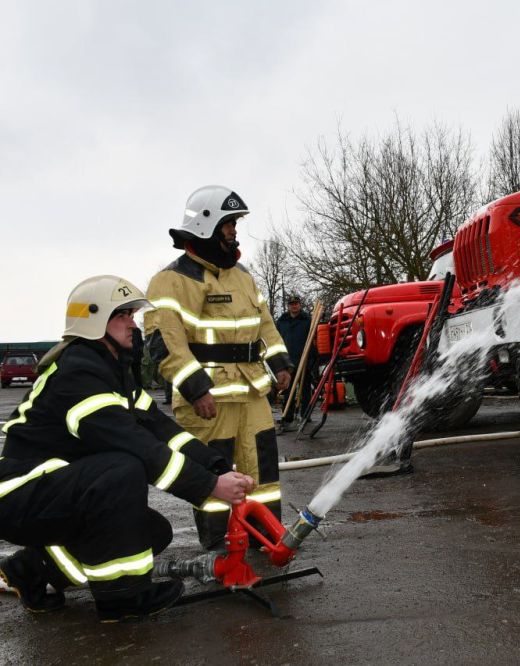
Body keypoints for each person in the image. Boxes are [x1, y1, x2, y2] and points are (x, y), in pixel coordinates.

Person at [0, 276, 254, 622]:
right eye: (123, 316)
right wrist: (209, 488)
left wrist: (217, 467)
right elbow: (135, 444)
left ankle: (31, 570)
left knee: (150, 533)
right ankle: (122, 600)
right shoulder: (77, 373)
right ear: (94, 321)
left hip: (53, 492)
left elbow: (160, 429)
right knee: (123, 467)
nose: (133, 324)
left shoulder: (111, 372)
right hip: (19, 494)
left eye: (132, 315)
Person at [144, 186, 293, 549]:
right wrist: (194, 388)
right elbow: (164, 341)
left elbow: (266, 323)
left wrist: (280, 363)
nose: (233, 230)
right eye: (228, 223)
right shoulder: (172, 280)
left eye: (234, 223)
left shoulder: (242, 276)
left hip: (251, 392)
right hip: (207, 399)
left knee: (263, 473)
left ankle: (266, 539)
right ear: (205, 225)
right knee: (215, 476)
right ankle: (220, 549)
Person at [275, 294, 313, 420]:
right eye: (292, 304)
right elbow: (277, 339)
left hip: (304, 359)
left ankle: (306, 415)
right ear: (288, 306)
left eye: (296, 303)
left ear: (299, 305)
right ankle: (288, 415)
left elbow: (313, 340)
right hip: (288, 360)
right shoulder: (282, 321)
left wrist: (311, 359)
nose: (294, 306)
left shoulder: (307, 320)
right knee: (288, 389)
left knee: (305, 389)